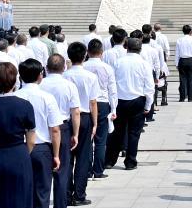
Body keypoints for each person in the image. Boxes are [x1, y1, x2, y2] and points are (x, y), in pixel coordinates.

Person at [0, 62, 37, 208]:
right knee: (20, 199)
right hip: (18, 156)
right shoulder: (25, 105)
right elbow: (31, 140)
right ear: (14, 80)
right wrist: (22, 152)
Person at [18, 58, 63, 208]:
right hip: (42, 148)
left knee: (22, 191)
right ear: (40, 75)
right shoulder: (47, 97)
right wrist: (56, 155)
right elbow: (55, 129)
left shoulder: (15, 97)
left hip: (19, 148)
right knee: (42, 192)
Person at [105, 38, 154, 171]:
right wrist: (148, 106)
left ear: (127, 48)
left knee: (116, 133)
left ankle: (110, 160)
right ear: (140, 49)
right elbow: (149, 87)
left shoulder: (118, 62)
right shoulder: (144, 64)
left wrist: (112, 104)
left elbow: (112, 84)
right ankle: (130, 161)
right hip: (138, 100)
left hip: (120, 100)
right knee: (134, 133)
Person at [41, 54, 80, 208]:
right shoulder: (69, 85)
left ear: (46, 68)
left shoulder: (40, 84)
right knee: (62, 172)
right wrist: (75, 134)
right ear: (64, 67)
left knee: (43, 174)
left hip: (42, 129)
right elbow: (75, 112)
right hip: (62, 128)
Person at [64, 42, 100, 206]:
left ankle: (66, 194)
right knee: (83, 157)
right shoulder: (90, 77)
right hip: (85, 116)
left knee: (67, 158)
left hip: (66, 119)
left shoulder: (64, 76)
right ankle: (79, 194)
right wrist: (95, 123)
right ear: (85, 55)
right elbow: (93, 102)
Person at [82, 40, 116, 180]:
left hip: (85, 104)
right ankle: (98, 170)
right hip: (102, 102)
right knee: (101, 140)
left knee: (87, 140)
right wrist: (113, 108)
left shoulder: (83, 67)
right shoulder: (107, 68)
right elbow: (112, 90)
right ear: (101, 52)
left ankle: (88, 170)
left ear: (88, 52)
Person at [176, 26, 192, 102]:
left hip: (182, 60)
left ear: (183, 31)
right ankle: (191, 97)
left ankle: (182, 97)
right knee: (191, 79)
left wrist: (176, 63)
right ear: (190, 31)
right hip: (191, 60)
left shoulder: (179, 40)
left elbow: (177, 53)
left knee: (182, 80)